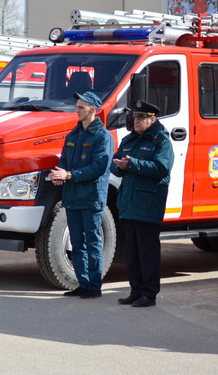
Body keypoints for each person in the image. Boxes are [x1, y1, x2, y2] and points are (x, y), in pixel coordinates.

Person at [48, 91, 114, 299]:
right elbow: (65, 160)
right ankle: (83, 282)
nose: (76, 110)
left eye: (81, 107)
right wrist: (60, 173)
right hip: (72, 197)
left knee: (92, 242)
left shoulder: (103, 137)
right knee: (77, 243)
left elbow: (98, 167)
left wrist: (68, 175)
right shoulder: (73, 135)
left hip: (91, 198)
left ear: (93, 110)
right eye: (77, 106)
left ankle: (94, 286)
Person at [111, 100, 174, 308]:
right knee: (132, 252)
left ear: (152, 119)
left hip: (148, 203)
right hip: (129, 203)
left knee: (148, 252)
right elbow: (116, 162)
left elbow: (162, 167)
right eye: (135, 117)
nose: (135, 121)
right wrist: (120, 166)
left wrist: (133, 164)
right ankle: (135, 290)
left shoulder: (160, 140)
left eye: (141, 117)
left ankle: (149, 294)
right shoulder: (131, 139)